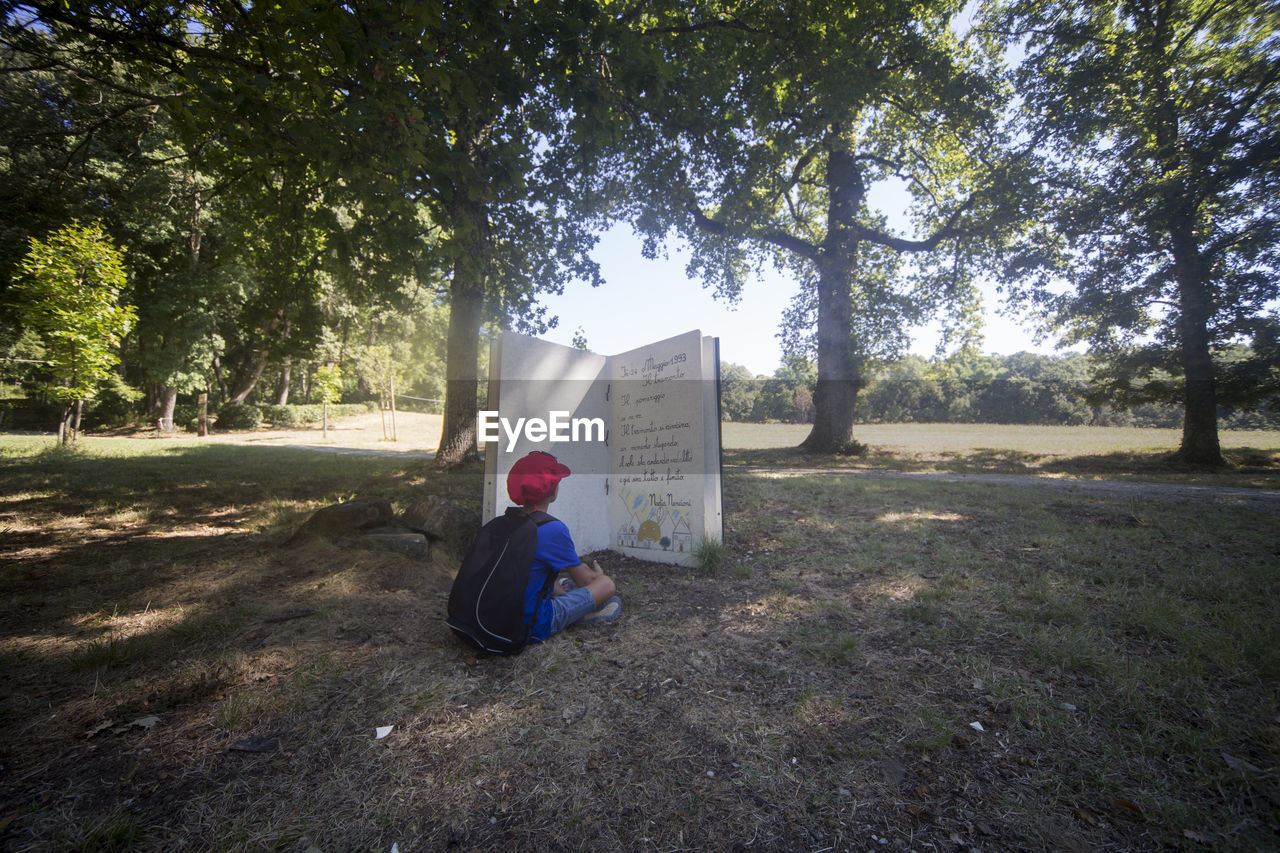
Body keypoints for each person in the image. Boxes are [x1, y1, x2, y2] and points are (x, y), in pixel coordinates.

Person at [506, 451, 622, 642]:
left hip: (493, 619)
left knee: (554, 581)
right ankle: (578, 614)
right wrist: (598, 576)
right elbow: (586, 580)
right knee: (606, 586)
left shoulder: (506, 522)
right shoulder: (552, 529)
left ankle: (568, 600)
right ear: (552, 489)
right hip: (529, 626)